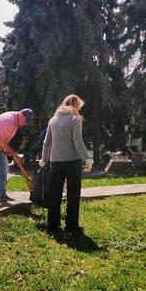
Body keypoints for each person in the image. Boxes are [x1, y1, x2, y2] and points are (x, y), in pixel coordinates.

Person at [40, 94, 90, 234]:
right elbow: (78, 141)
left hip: (55, 161)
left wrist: (44, 159)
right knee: (73, 194)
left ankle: (52, 225)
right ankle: (71, 225)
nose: (79, 109)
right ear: (75, 105)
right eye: (79, 106)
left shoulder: (53, 120)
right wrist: (86, 158)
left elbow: (46, 142)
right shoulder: (75, 118)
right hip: (72, 161)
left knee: (55, 193)